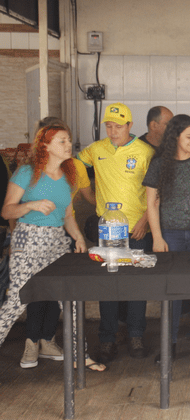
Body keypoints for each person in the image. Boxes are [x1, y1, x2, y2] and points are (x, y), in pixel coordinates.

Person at [0, 125, 88, 369]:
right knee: (16, 302)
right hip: (28, 239)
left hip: (57, 241)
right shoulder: (27, 172)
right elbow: (7, 210)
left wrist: (78, 237)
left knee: (69, 301)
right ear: (45, 146)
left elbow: (67, 215)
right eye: (62, 141)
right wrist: (31, 205)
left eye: (69, 140)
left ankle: (80, 354)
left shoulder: (68, 176)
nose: (68, 145)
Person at [79, 103, 154, 362]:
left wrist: (144, 221)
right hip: (108, 231)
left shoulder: (145, 152)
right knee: (108, 285)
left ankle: (136, 335)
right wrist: (89, 195)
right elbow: (73, 166)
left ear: (130, 126)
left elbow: (156, 192)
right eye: (109, 126)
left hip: (137, 230)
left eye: (118, 127)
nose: (112, 131)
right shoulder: (96, 149)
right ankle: (107, 338)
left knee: (136, 285)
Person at [144, 114, 190, 352]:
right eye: (189, 136)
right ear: (175, 137)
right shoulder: (159, 165)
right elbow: (152, 204)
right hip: (170, 234)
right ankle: (169, 345)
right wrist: (157, 237)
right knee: (172, 288)